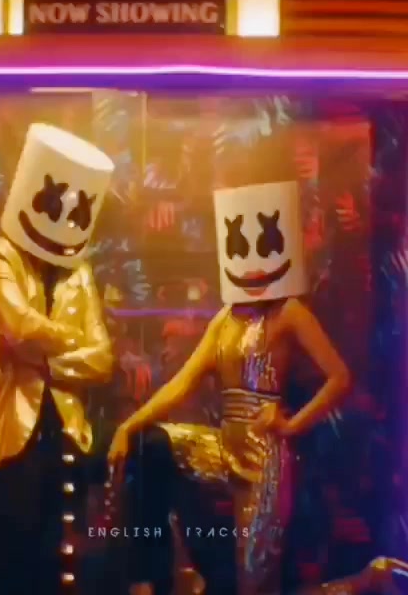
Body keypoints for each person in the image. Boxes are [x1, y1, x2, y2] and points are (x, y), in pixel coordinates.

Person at [108, 181, 352, 595]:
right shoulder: (225, 318)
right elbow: (182, 382)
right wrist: (127, 427)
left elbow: (340, 378)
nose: (253, 261)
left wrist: (292, 425)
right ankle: (150, 576)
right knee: (152, 445)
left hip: (264, 460)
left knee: (255, 584)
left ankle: (368, 581)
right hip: (223, 448)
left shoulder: (288, 312)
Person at [0, 123, 115, 595]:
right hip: (9, 438)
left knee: (57, 561)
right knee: (10, 562)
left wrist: (49, 364)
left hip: (64, 435)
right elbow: (18, 327)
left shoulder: (80, 274)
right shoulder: (0, 258)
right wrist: (72, 339)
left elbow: (103, 360)